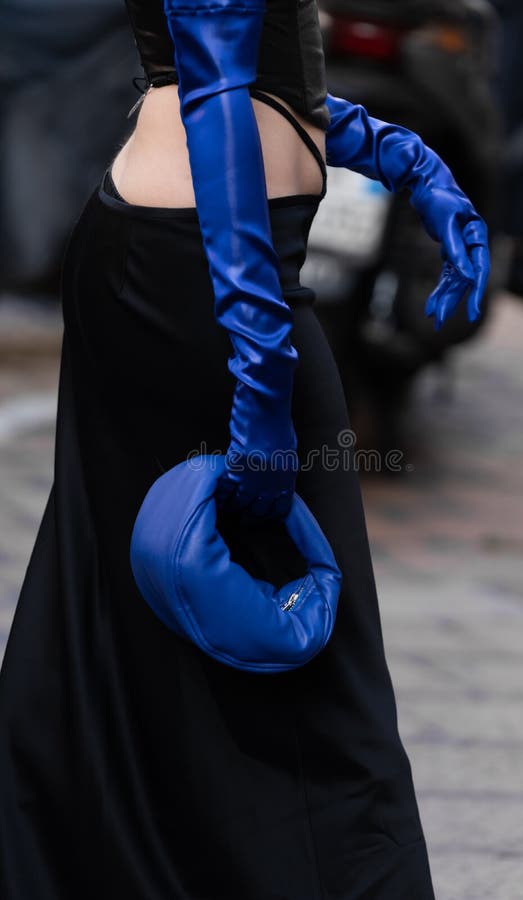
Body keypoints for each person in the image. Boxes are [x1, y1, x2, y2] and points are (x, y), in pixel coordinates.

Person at [0, 1, 488, 897]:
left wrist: (403, 156)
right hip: (209, 276)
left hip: (197, 258)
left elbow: (244, 69)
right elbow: (218, 85)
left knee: (146, 639)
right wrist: (261, 374)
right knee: (313, 680)